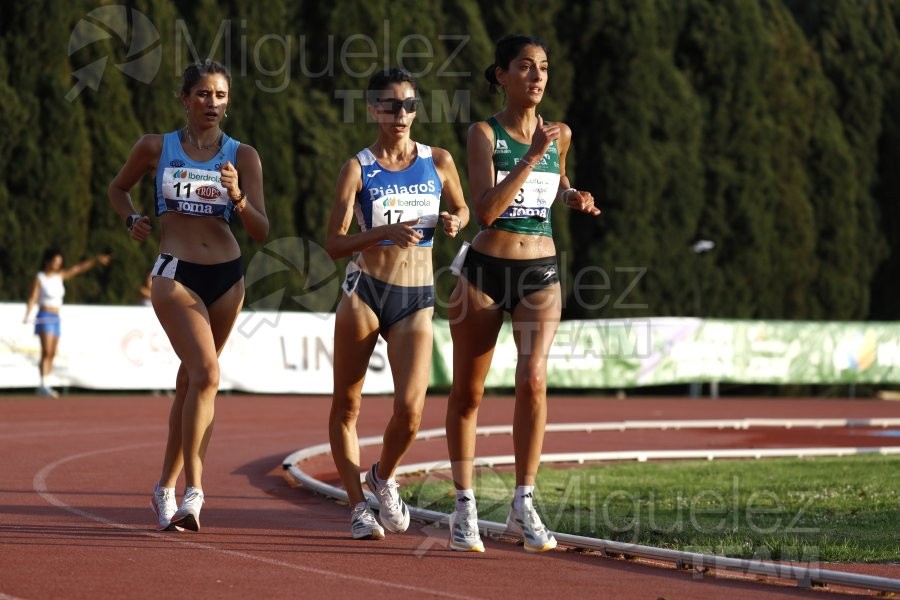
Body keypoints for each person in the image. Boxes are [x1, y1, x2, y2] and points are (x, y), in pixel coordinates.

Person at [445, 35, 601, 553]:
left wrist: (572, 194)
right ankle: (464, 504)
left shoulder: (560, 134)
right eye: (525, 68)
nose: (537, 77)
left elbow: (555, 183)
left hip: (541, 269)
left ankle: (523, 501)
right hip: (486, 269)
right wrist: (532, 158)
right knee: (469, 392)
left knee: (533, 379)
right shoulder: (483, 134)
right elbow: (486, 209)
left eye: (544, 69)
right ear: (501, 76)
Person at [108, 59, 268, 532]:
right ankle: (194, 492)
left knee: (193, 384)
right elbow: (118, 188)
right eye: (202, 94)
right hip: (175, 273)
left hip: (228, 278)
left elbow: (261, 230)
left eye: (220, 95)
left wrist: (238, 198)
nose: (212, 103)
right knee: (208, 373)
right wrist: (131, 217)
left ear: (228, 101)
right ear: (184, 98)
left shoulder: (244, 156)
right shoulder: (156, 147)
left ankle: (163, 486)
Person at [325, 67, 468, 540]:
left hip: (416, 297)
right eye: (390, 105)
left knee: (410, 412)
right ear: (373, 110)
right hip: (366, 291)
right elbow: (333, 242)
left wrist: (454, 220)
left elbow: (465, 209)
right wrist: (383, 232)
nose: (400, 114)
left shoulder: (439, 160)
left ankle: (382, 477)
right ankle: (356, 507)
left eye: (408, 105)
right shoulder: (358, 167)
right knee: (348, 404)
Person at [23, 248, 112, 397]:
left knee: (52, 352)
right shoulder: (40, 277)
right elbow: (33, 297)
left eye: (59, 262)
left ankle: (45, 382)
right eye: (55, 262)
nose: (57, 265)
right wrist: (28, 314)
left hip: (56, 317)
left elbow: (78, 269)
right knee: (46, 351)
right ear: (47, 262)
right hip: (44, 316)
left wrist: (96, 260)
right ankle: (43, 384)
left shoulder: (60, 276)